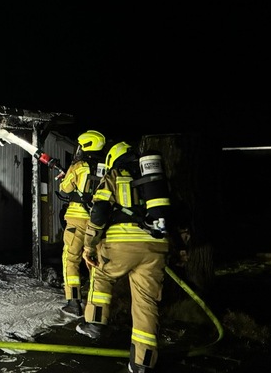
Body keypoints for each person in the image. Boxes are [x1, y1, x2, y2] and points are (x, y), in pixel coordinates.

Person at [75, 141, 173, 373]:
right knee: (146, 304)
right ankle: (142, 363)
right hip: (156, 248)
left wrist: (89, 245)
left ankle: (95, 324)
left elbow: (99, 211)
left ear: (112, 159)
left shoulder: (114, 175)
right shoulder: (155, 180)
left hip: (122, 245)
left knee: (100, 275)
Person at [56, 130, 107, 318]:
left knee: (71, 259)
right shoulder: (107, 167)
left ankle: (73, 302)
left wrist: (65, 177)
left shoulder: (79, 166)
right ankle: (95, 305)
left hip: (76, 220)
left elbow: (65, 187)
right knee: (95, 260)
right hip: (98, 222)